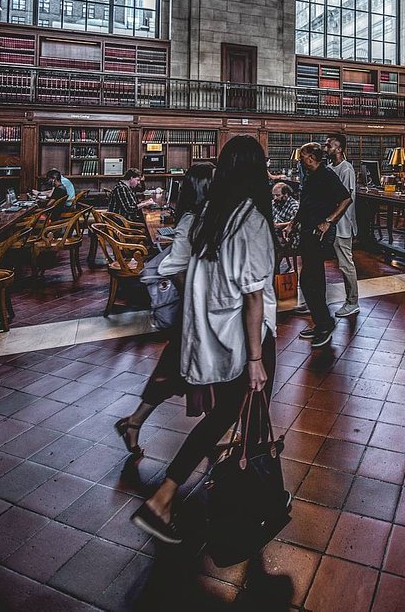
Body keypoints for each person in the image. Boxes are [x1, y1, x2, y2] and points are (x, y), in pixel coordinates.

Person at [131, 136, 277, 545]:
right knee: (242, 414)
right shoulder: (252, 221)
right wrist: (254, 358)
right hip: (247, 337)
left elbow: (189, 272)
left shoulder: (209, 213)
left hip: (212, 332)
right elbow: (253, 297)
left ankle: (177, 495)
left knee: (229, 415)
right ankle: (234, 502)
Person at [114, 162, 215, 457]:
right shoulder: (192, 220)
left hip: (198, 311)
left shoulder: (199, 217)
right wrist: (193, 298)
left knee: (178, 369)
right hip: (194, 312)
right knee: (194, 371)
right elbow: (173, 266)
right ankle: (212, 431)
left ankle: (135, 422)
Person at [284, 142, 351, 349]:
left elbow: (346, 199)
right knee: (312, 280)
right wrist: (292, 224)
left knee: (310, 280)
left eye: (302, 156)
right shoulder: (311, 177)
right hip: (307, 231)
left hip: (319, 234)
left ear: (311, 158)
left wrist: (328, 221)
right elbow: (305, 206)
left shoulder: (327, 176)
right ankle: (321, 321)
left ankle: (325, 324)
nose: (300, 160)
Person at [325, 133, 359, 318]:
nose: (326, 149)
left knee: (346, 265)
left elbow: (346, 199)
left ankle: (353, 302)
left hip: (342, 225)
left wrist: (331, 220)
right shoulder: (330, 168)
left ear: (338, 149)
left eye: (328, 146)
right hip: (330, 224)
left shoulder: (346, 169)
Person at [271, 183, 300, 269]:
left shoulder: (293, 205)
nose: (275, 198)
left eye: (277, 195)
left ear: (286, 194)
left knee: (278, 245)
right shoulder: (274, 203)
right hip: (275, 233)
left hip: (289, 235)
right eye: (273, 195)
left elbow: (297, 222)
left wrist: (278, 225)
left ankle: (274, 268)